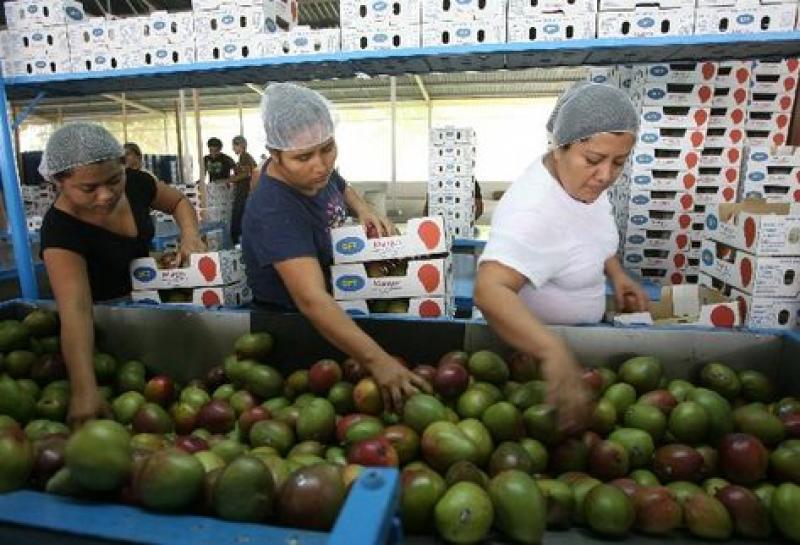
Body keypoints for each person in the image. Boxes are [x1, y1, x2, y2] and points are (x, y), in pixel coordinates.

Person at [242, 83, 430, 412]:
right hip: (295, 327)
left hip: (338, 309)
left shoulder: (317, 173)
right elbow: (311, 300)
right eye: (303, 157)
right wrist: (379, 362)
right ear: (274, 154)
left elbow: (340, 184)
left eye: (327, 148)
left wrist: (364, 209)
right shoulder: (274, 209)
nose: (320, 166)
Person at [474, 82, 649, 434]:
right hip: (527, 370)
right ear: (559, 148)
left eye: (619, 162)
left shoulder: (583, 183)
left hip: (577, 351)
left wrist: (616, 274)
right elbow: (489, 290)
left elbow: (588, 231)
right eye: (594, 160)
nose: (606, 176)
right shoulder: (533, 210)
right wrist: (551, 351)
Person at [39, 123, 206, 427]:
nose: (106, 195)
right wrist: (84, 389)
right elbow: (76, 310)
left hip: (149, 308)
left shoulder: (137, 184)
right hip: (105, 330)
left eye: (114, 180)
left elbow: (178, 202)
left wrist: (190, 236)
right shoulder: (60, 229)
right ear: (59, 182)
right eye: (89, 188)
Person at [229, 136, 257, 245]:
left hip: (245, 192)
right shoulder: (243, 157)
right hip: (243, 191)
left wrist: (231, 179)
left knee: (238, 218)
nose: (233, 148)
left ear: (241, 146)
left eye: (234, 146)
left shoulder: (245, 157)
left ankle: (237, 243)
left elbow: (247, 174)